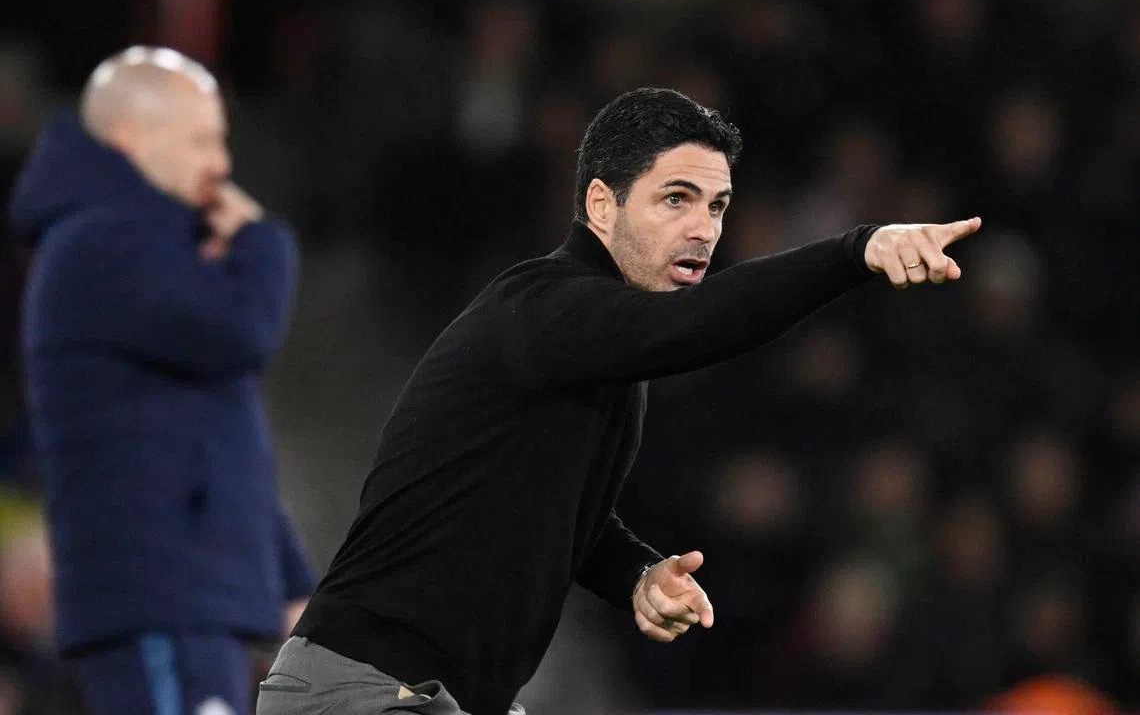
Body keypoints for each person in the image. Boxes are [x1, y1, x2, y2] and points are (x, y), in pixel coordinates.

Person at [257, 87, 981, 715]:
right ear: (601, 205)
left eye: (718, 205)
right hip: (367, 689)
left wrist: (635, 571)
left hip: (440, 695)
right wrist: (854, 251)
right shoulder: (539, 308)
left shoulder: (599, 351)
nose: (704, 228)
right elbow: (697, 328)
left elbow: (564, 513)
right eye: (676, 199)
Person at [6, 46, 316, 715]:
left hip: (190, 597)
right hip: (160, 595)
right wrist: (264, 243)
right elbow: (242, 330)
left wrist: (288, 581)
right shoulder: (101, 242)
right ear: (133, 140)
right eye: (203, 141)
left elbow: (218, 433)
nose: (221, 166)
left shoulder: (152, 253)